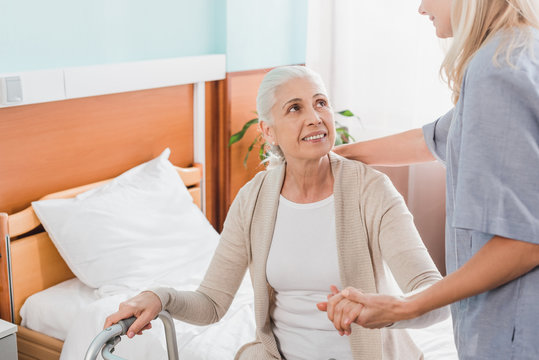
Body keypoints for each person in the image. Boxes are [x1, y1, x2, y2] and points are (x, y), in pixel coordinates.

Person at [104, 66, 448, 360]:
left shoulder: (371, 190)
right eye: (294, 108)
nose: (315, 118)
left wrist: (385, 309)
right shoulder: (253, 199)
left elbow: (433, 293)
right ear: (268, 130)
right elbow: (211, 303)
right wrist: (159, 296)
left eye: (321, 103)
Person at [326, 0, 539, 359]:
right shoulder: (518, 48)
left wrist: (403, 307)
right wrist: (338, 157)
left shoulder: (496, 70)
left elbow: (523, 243)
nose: (421, 8)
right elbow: (440, 136)